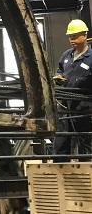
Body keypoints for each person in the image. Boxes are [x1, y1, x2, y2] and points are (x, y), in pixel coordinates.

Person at [53, 19, 92, 161]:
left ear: (85, 35)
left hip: (83, 108)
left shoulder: (91, 58)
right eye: (70, 37)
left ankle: (87, 176)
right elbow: (60, 70)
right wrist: (58, 77)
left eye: (75, 36)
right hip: (64, 106)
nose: (72, 40)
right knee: (61, 142)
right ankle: (60, 175)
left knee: (85, 144)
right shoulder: (66, 56)